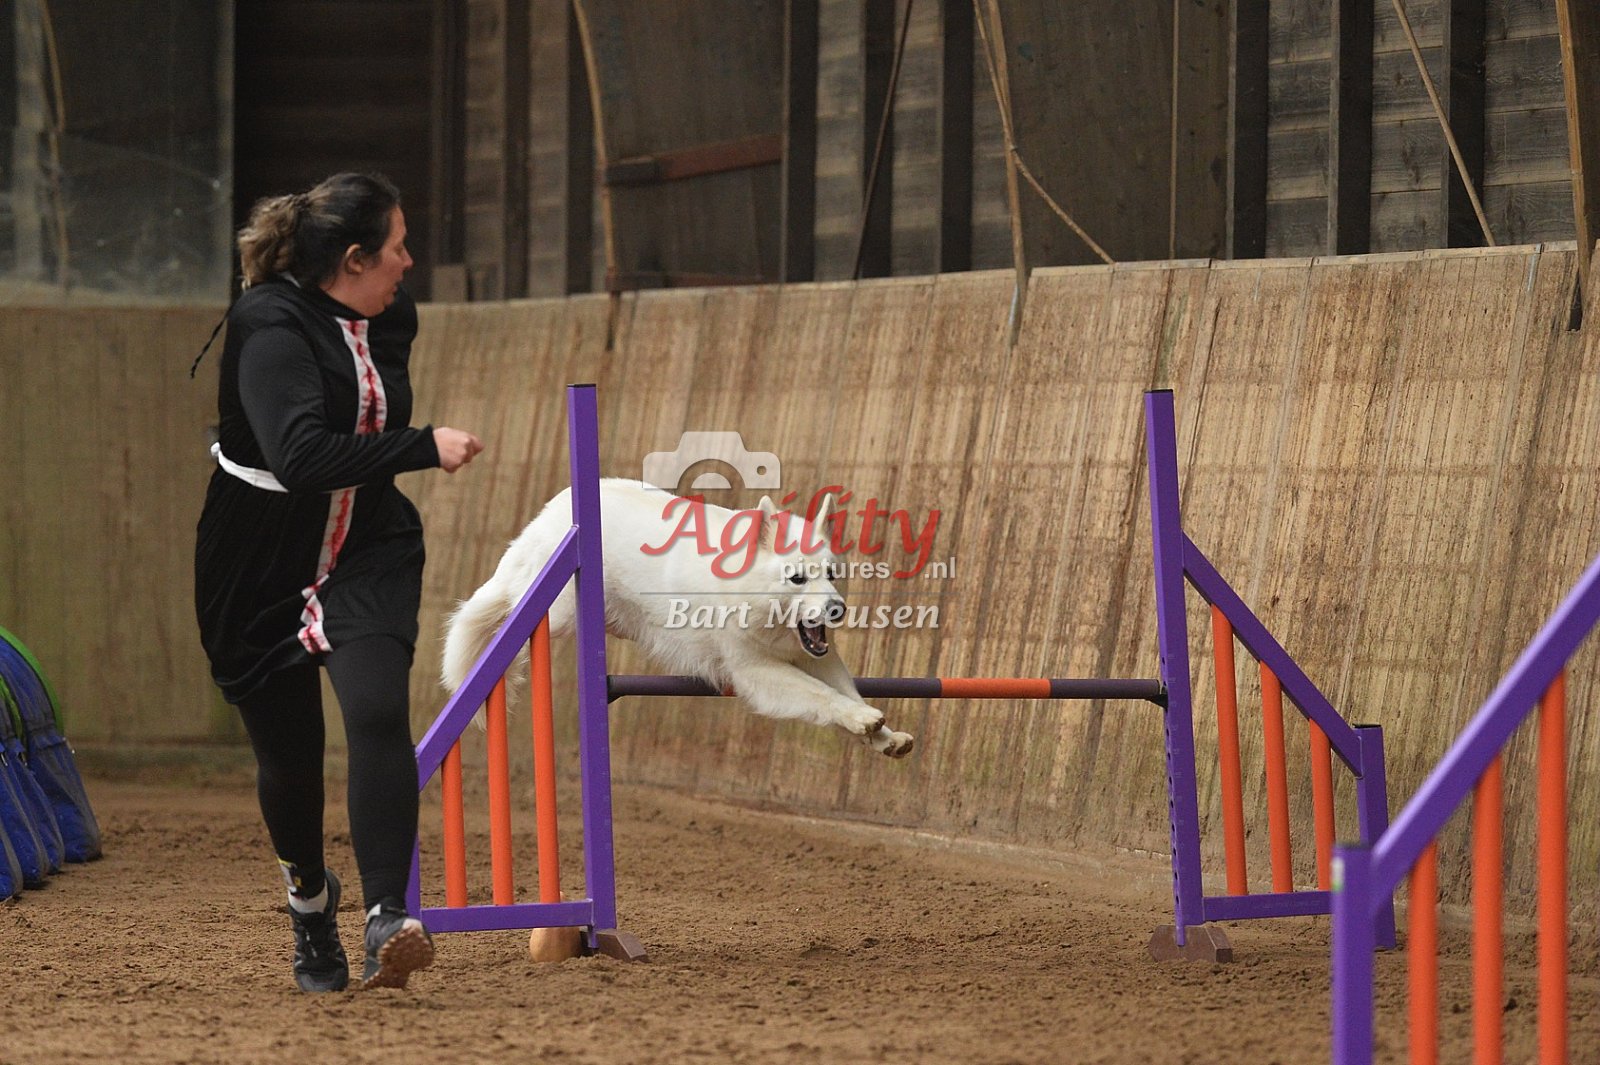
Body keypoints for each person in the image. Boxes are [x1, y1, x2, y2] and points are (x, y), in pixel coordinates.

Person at [193, 172, 484, 992]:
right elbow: (300, 456)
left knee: (377, 709)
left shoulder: (392, 315)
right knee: (290, 762)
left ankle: (387, 915)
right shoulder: (268, 324)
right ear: (353, 259)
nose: (408, 262)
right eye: (397, 247)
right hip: (257, 560)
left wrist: (401, 452)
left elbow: (363, 420)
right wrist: (423, 445)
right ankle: (310, 901)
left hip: (367, 543)